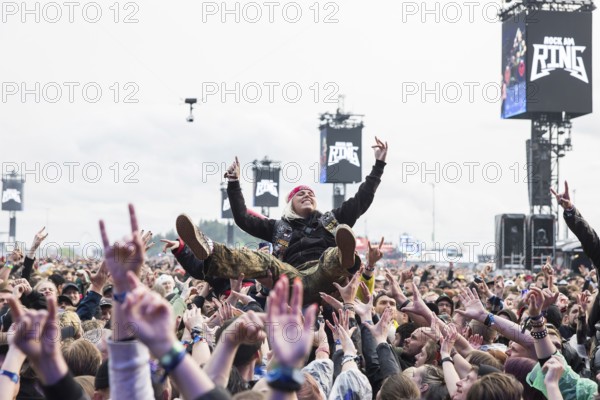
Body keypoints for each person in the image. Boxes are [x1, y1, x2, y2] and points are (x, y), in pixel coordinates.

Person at [176, 137, 388, 304]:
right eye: (300, 194)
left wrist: (379, 164)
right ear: (290, 203)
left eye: (310, 193)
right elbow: (242, 218)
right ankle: (211, 250)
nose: (307, 195)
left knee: (332, 255)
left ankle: (346, 256)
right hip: (294, 279)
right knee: (263, 259)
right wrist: (233, 183)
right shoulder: (278, 227)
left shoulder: (331, 220)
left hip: (327, 277)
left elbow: (362, 199)